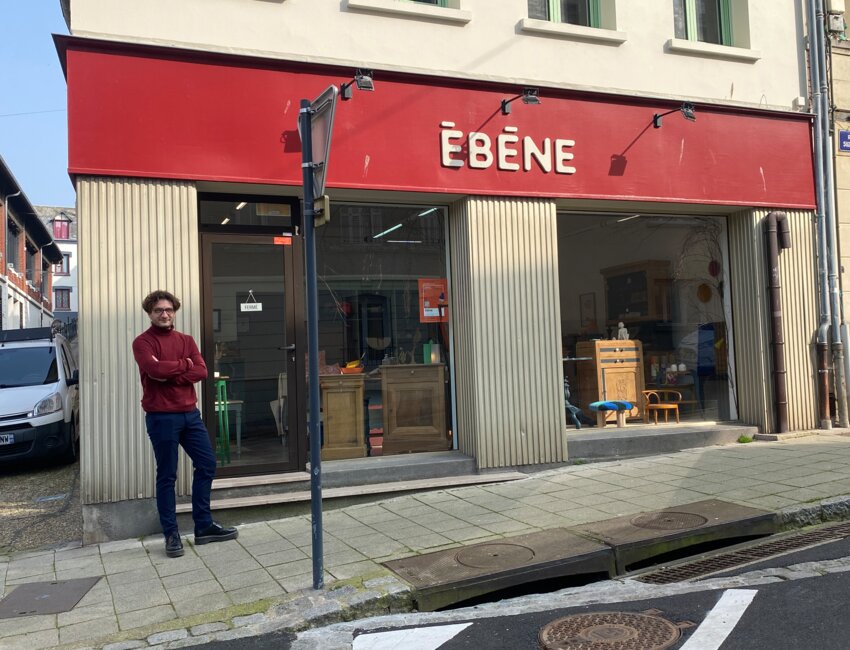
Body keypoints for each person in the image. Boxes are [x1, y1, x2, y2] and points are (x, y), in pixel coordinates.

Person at [132, 290, 238, 557]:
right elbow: (154, 370)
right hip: (161, 416)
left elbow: (201, 371)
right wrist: (184, 365)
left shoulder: (186, 340)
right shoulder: (142, 343)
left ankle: (203, 526)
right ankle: (171, 535)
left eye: (169, 310)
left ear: (174, 312)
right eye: (158, 310)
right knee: (167, 475)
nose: (164, 314)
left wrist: (171, 371)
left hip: (190, 415)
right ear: (150, 313)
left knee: (207, 464)